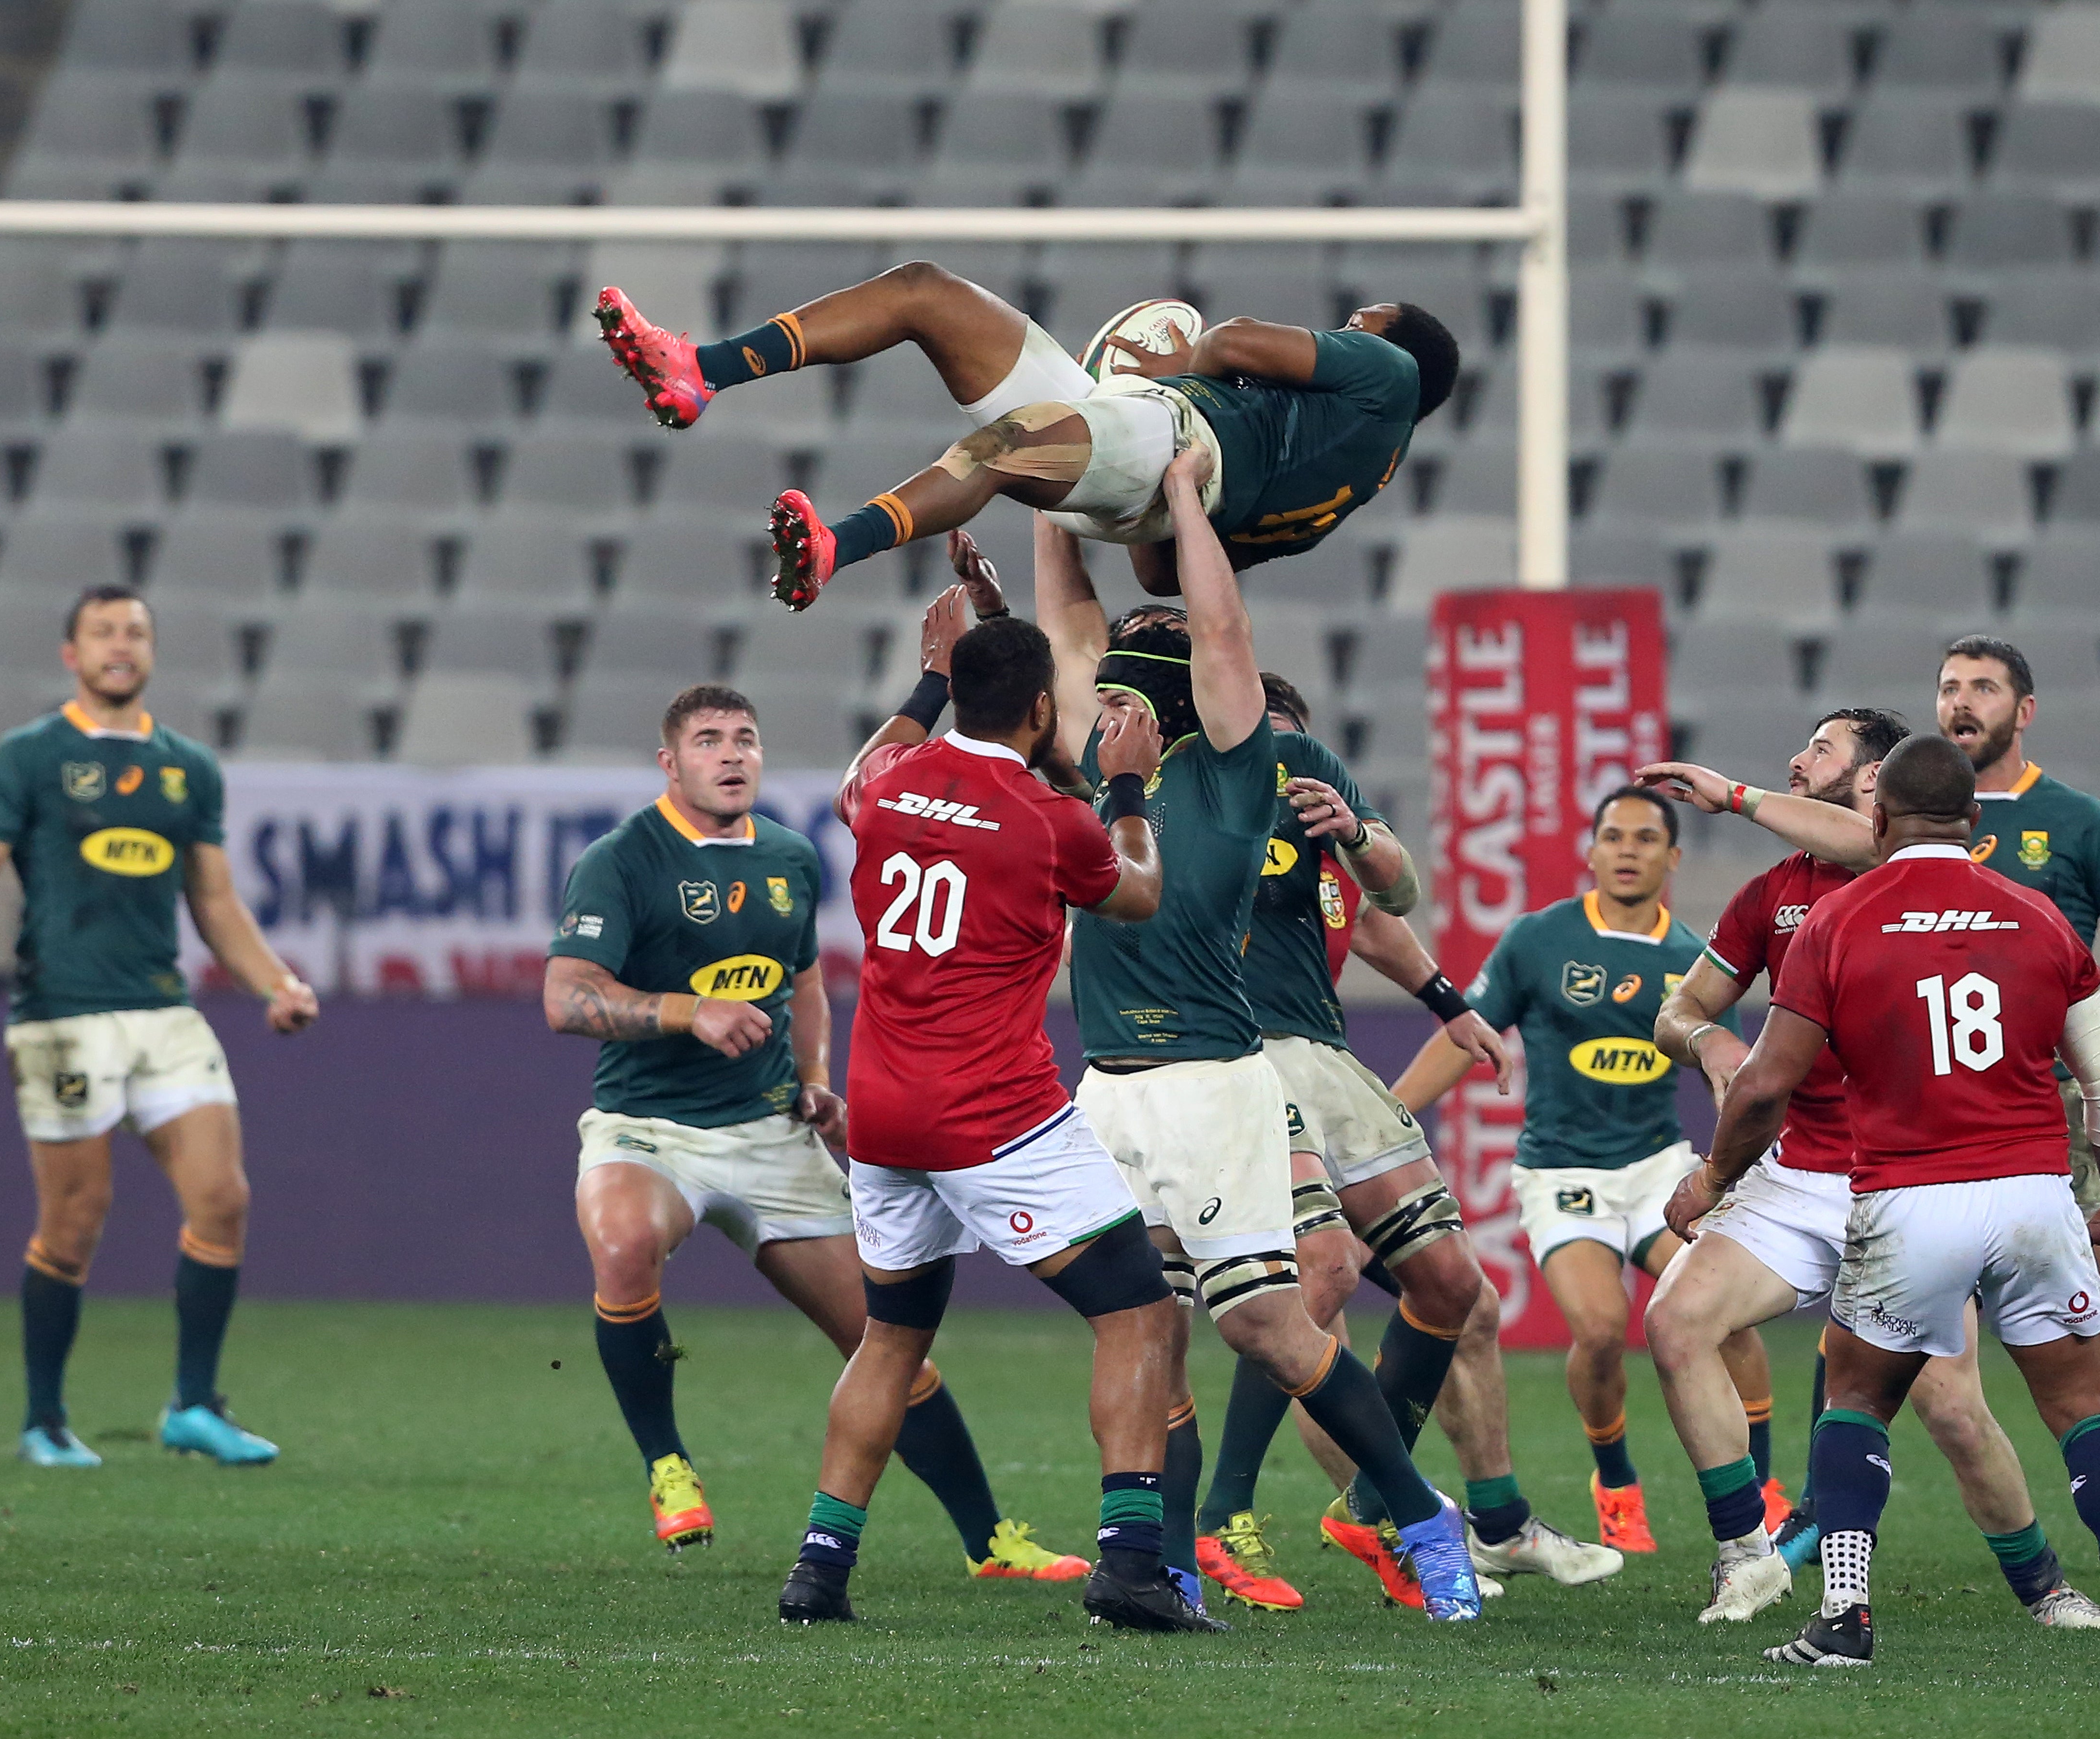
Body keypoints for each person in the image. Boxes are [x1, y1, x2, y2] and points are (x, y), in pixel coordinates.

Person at [1641, 635, 2100, 1585]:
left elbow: (1872, 848)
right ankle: (1751, 1557)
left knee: (1946, 1407)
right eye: (1950, 686)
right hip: (1825, 1173)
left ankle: (2033, 1586)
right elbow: (1682, 1013)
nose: (1797, 762)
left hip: (1911, 1176)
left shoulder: (1890, 879)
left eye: (1820, 750)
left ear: (1879, 793)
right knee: (1683, 1322)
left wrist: (1732, 795)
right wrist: (1710, 1042)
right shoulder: (1782, 895)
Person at [1034, 452, 1483, 1622]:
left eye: (1146, 662)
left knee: (1268, 1325)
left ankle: (1418, 1513)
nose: (1117, 678)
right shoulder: (1099, 757)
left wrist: (1185, 497)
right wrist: (1054, 486)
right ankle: (1163, 1564)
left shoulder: (1238, 769)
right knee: (1148, 1330)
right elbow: (1067, 618)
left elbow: (1223, 629)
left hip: (1213, 1082)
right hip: (1109, 1087)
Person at [548, 680, 1082, 1584]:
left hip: (769, 1133)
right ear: (670, 763)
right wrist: (688, 1012)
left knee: (887, 1339)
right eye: (709, 740)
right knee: (625, 1242)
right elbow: (567, 998)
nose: (731, 754)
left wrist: (815, 1082)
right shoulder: (622, 858)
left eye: (745, 738)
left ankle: (989, 1542)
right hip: (649, 1128)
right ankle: (667, 1463)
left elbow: (801, 982)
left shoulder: (791, 856)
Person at [776, 578, 1196, 1630]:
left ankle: (819, 1571)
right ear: (1044, 708)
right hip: (992, 1114)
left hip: (883, 1116)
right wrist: (1130, 785)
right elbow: (1138, 891)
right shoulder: (1050, 821)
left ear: (954, 693)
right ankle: (1130, 1564)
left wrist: (930, 675)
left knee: (892, 1338)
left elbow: (859, 775)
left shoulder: (892, 786)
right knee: (1140, 1312)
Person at [1192, 675, 1616, 1613]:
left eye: (1290, 737)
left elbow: (1380, 917)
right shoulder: (1196, 811)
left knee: (1462, 1292)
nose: (1276, 756)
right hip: (1236, 1062)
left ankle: (1408, 1511)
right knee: (1321, 1278)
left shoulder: (1313, 840)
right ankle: (1227, 1511)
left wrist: (1448, 1004)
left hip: (1325, 1063)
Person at [0, 586, 317, 1469]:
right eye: (104, 631)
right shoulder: (28, 756)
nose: (122, 645)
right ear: (71, 653)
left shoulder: (188, 766)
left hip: (164, 1012)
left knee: (224, 1199)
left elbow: (215, 900)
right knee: (75, 1223)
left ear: (152, 651)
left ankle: (194, 1405)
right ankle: (45, 1420)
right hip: (63, 1017)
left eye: (137, 632)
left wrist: (275, 982)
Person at [592, 263, 1456, 609]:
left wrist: (1164, 373)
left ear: (1396, 348)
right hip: (1141, 476)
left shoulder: (1391, 372)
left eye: (1360, 322)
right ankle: (698, 371)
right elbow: (1161, 573)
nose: (1346, 329)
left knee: (1003, 445)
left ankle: (836, 546)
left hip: (1164, 432)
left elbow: (1229, 341)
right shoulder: (1344, 493)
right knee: (924, 292)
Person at [1391, 786, 1770, 1557]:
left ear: (1673, 856)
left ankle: (1762, 1488)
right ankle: (1616, 1482)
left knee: (1727, 1314)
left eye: (1645, 838)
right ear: (1592, 852)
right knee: (1600, 1329)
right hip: (1562, 1173)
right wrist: (1389, 1116)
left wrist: (1736, 1169)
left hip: (1659, 1169)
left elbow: (1730, 1076)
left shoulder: (1695, 963)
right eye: (1614, 836)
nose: (1628, 850)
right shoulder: (1540, 939)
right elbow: (1468, 1033)